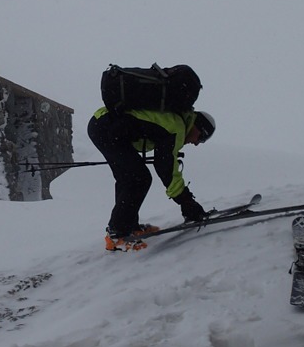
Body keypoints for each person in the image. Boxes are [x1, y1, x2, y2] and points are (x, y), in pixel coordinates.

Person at [87, 107, 216, 251]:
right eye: (201, 137)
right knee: (138, 178)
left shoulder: (174, 122)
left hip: (103, 124)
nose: (197, 143)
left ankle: (128, 227)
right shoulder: (176, 127)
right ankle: (118, 234)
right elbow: (166, 168)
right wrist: (186, 201)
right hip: (106, 128)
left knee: (130, 177)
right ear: (197, 127)